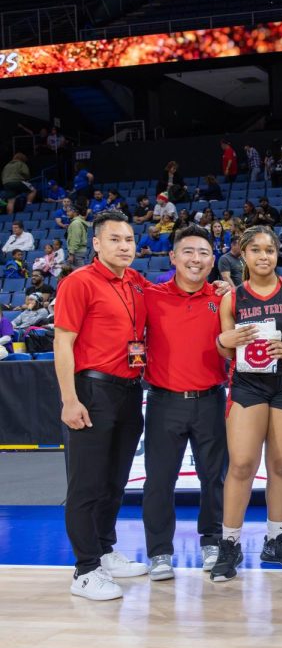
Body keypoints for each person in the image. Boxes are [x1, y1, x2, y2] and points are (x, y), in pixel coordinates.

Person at [54, 211, 150, 599]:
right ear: (96, 244)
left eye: (128, 239)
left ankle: (105, 550)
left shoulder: (137, 282)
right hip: (92, 391)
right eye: (115, 239)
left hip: (130, 390)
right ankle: (85, 570)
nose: (124, 246)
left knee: (115, 480)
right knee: (87, 483)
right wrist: (69, 399)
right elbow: (63, 343)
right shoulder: (78, 282)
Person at [208, 227, 282, 580]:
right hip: (248, 384)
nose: (264, 256)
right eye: (256, 250)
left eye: (270, 249)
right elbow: (223, 347)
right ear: (243, 254)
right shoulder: (232, 298)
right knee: (242, 465)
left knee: (281, 464)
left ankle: (276, 539)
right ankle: (230, 543)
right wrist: (224, 339)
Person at [138, 225, 228, 580]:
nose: (196, 259)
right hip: (163, 402)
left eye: (204, 252)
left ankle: (213, 541)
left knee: (214, 479)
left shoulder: (223, 298)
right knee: (159, 481)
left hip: (210, 400)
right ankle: (159, 552)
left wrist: (232, 290)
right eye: (188, 251)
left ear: (213, 260)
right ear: (173, 257)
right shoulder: (151, 295)